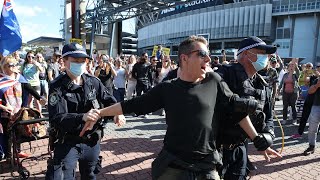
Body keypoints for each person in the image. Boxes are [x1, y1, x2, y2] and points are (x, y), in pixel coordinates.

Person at [80, 36, 278, 180]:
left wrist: (258, 137)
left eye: (208, 55)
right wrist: (100, 113)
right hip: (173, 164)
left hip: (207, 164)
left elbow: (234, 105)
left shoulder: (214, 81)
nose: (208, 60)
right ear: (184, 58)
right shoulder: (168, 89)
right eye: (202, 54)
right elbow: (132, 105)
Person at [45, 43, 125, 180]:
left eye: (83, 61)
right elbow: (56, 117)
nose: (80, 64)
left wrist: (118, 113)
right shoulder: (57, 86)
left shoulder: (93, 82)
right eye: (75, 61)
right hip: (67, 142)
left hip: (91, 141)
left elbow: (110, 100)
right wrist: (82, 117)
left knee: (90, 175)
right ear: (64, 61)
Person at [216, 36, 282, 180]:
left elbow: (269, 116)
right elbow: (229, 108)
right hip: (215, 148)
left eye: (267, 54)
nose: (266, 57)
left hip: (240, 148)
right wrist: (255, 138)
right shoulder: (224, 75)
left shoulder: (262, 85)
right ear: (246, 54)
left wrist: (267, 137)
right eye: (261, 52)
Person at [0, 56, 46, 160]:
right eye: (11, 65)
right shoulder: (1, 80)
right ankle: (8, 155)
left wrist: (40, 98)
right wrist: (3, 107)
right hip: (5, 112)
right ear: (4, 67)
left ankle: (18, 151)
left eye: (15, 64)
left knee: (19, 131)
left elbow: (29, 88)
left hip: (19, 110)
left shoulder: (19, 77)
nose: (15, 67)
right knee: (8, 133)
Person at [278, 60, 300, 125]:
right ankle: (284, 119)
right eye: (290, 66)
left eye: (292, 66)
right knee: (285, 107)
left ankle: (294, 120)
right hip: (285, 93)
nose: (291, 67)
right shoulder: (285, 75)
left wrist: (295, 65)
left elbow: (298, 71)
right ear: (287, 67)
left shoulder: (295, 75)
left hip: (294, 93)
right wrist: (278, 90)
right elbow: (282, 83)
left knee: (293, 106)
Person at [303, 76, 320, 155]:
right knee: (312, 128)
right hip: (316, 106)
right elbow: (309, 91)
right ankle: (311, 146)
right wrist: (317, 85)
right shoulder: (317, 80)